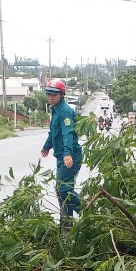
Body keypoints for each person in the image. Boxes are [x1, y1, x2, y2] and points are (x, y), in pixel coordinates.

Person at [40, 78, 83, 223]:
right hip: (61, 157)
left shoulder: (65, 111)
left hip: (71, 156)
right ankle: (67, 223)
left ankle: (88, 211)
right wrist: (47, 146)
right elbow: (53, 132)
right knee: (61, 191)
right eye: (49, 94)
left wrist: (67, 153)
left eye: (54, 94)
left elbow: (67, 133)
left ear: (62, 95)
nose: (51, 97)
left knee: (64, 190)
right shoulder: (55, 110)